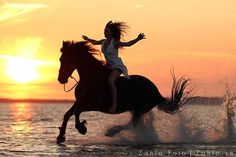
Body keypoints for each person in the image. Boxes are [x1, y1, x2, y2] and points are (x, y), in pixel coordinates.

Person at [82, 20, 145, 113]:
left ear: (112, 32)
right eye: (104, 31)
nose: (105, 32)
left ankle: (114, 104)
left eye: (107, 31)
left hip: (117, 66)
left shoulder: (115, 43)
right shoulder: (103, 42)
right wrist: (87, 39)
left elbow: (128, 44)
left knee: (110, 81)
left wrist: (137, 39)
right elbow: (95, 42)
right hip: (108, 66)